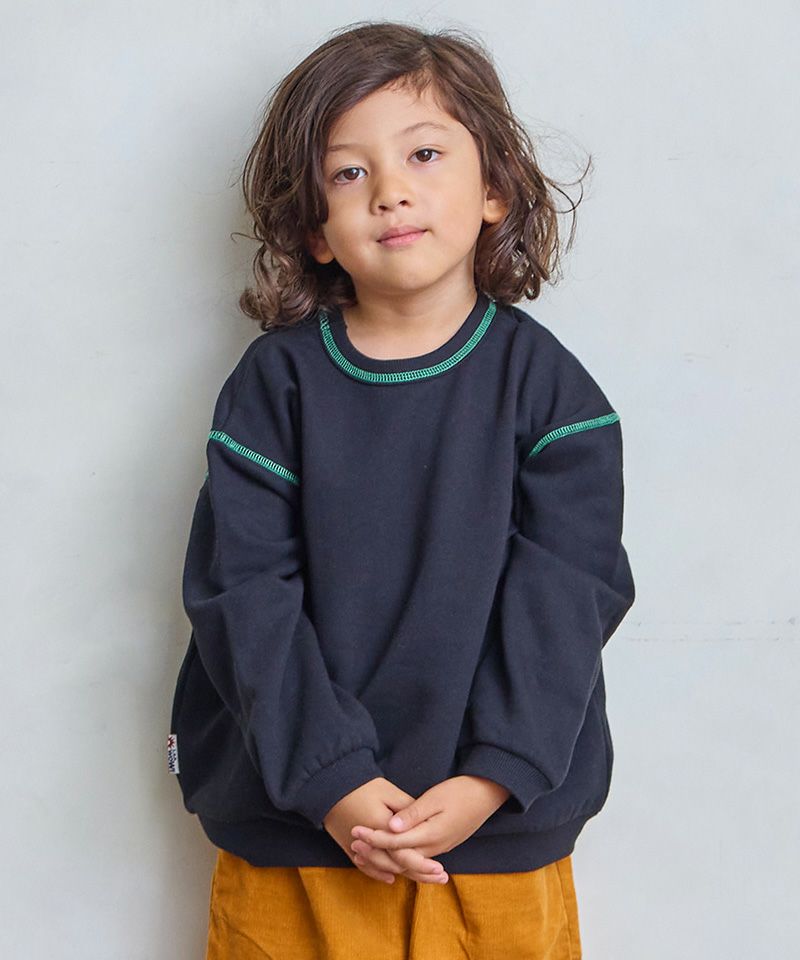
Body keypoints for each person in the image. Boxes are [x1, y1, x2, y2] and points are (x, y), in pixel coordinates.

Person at [168, 19, 636, 960]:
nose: (390, 190)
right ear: (315, 229)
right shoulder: (273, 388)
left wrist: (494, 777)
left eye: (424, 154)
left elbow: (567, 596)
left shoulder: (553, 394)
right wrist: (332, 782)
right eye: (349, 172)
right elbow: (244, 596)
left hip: (495, 842)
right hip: (295, 836)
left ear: (495, 187)